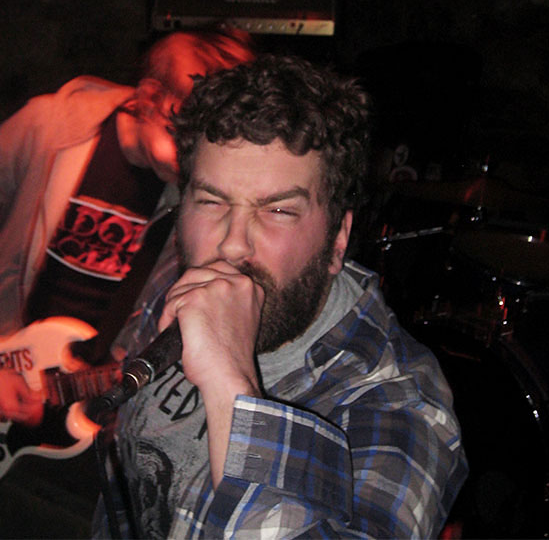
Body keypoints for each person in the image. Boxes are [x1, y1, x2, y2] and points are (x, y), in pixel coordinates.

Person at [93, 54, 468, 539]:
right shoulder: (183, 283)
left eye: (277, 211)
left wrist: (232, 387)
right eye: (211, 201)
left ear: (337, 239)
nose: (232, 243)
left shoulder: (400, 402)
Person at [0, 28, 254, 538]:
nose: (194, 162)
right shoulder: (47, 127)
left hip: (85, 407)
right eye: (185, 134)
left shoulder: (192, 201)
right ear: (149, 97)